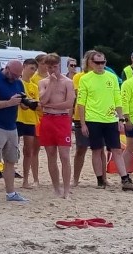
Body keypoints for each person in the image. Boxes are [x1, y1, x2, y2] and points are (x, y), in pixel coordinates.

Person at [76, 50, 133, 191]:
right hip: (93, 119)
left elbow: (117, 99)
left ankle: (125, 180)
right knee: (96, 150)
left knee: (116, 150)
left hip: (110, 119)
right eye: (97, 62)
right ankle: (100, 180)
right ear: (91, 63)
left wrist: (121, 119)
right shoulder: (85, 79)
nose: (100, 65)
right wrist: (82, 124)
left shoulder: (111, 77)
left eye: (103, 62)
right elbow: (81, 103)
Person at [0, 60, 28, 204]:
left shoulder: (18, 83)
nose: (16, 77)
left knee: (11, 160)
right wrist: (9, 102)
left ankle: (11, 192)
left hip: (11, 126)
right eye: (14, 74)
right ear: (6, 68)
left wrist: (27, 103)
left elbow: (22, 103)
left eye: (18, 75)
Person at [38, 53, 75, 199]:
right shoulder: (44, 82)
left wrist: (50, 105)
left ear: (59, 65)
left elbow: (68, 104)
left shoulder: (67, 82)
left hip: (62, 119)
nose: (52, 70)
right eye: (49, 67)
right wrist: (52, 84)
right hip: (48, 119)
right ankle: (56, 188)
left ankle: (66, 189)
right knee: (51, 155)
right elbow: (42, 100)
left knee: (65, 156)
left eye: (54, 66)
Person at [70, 49, 95, 187]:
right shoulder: (78, 77)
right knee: (81, 148)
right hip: (81, 115)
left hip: (98, 116)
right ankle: (75, 178)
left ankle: (102, 177)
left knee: (99, 149)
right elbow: (79, 96)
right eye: (93, 60)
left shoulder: (104, 76)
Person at [17, 58, 40, 189]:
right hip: (18, 119)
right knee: (13, 150)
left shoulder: (34, 86)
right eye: (31, 68)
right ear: (24, 66)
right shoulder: (17, 83)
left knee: (28, 151)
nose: (33, 72)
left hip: (30, 120)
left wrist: (28, 104)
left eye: (35, 69)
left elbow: (35, 105)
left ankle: (25, 180)